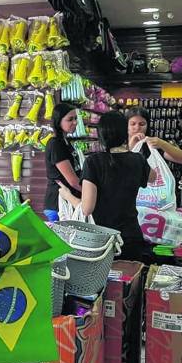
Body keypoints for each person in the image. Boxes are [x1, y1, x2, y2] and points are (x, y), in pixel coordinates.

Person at [60, 111, 157, 262]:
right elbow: (153, 177)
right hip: (131, 236)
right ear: (124, 132)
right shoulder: (137, 159)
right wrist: (132, 152)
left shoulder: (93, 162)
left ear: (101, 135)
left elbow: (87, 209)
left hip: (102, 241)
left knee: (105, 278)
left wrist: (67, 196)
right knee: (131, 275)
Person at [44, 103, 82, 215]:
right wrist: (92, 193)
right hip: (58, 205)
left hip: (68, 201)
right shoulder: (56, 144)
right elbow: (73, 181)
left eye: (75, 118)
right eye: (70, 119)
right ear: (58, 121)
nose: (75, 122)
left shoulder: (66, 142)